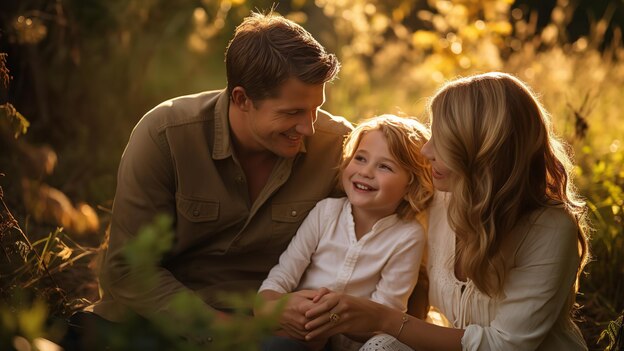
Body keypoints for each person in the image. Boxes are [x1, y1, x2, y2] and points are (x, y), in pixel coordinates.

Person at [62, 11, 353, 349]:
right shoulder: (164, 136)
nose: (308, 128)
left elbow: (390, 222)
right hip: (157, 321)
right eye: (291, 113)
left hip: (269, 333)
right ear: (242, 99)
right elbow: (129, 269)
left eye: (315, 108)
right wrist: (223, 332)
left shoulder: (340, 148)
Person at [301, 72, 591, 350]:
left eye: (441, 139)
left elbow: (505, 345)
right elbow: (376, 186)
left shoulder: (550, 229)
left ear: (479, 150)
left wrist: (382, 317)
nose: (426, 151)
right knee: (381, 347)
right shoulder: (440, 196)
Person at [256, 115, 434, 351]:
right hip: (299, 334)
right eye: (360, 158)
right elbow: (282, 275)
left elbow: (386, 316)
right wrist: (272, 306)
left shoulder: (408, 236)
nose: (366, 171)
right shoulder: (325, 212)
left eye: (384, 166)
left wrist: (333, 320)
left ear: (411, 184)